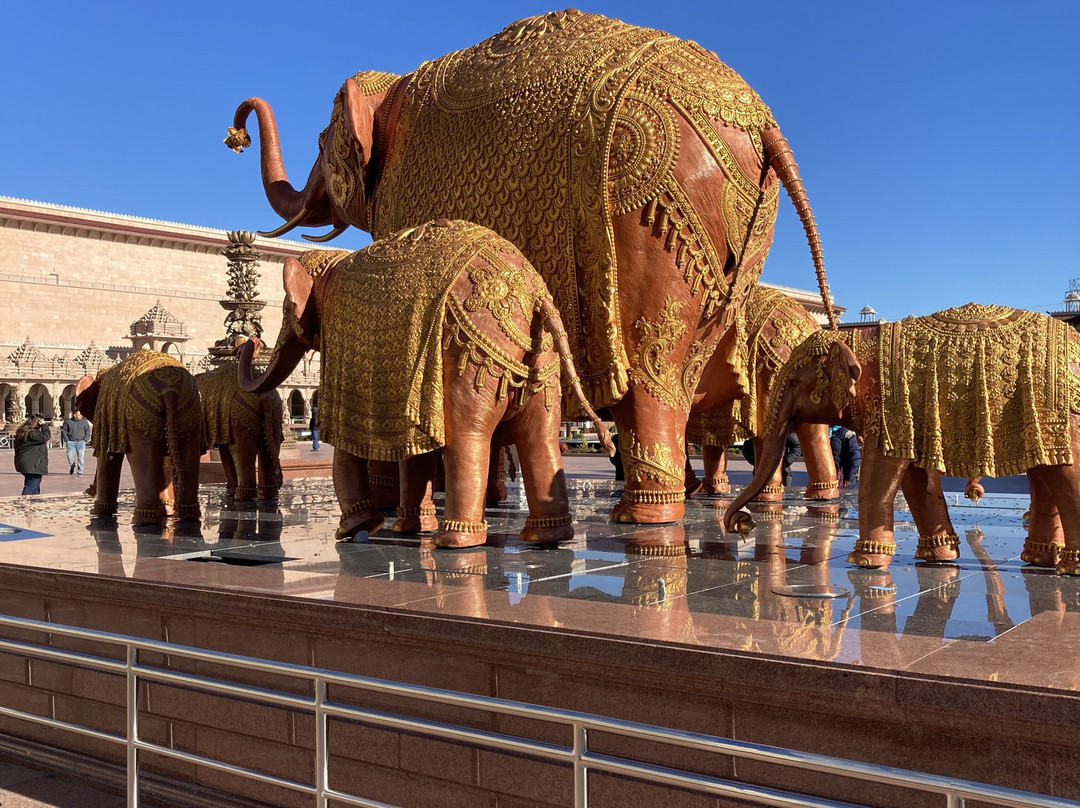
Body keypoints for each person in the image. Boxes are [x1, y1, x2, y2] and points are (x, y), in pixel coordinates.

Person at [14, 414, 51, 495]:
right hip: (33, 464)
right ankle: (24, 502)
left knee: (35, 483)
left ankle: (34, 501)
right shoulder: (32, 433)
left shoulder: (23, 432)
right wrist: (44, 426)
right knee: (31, 484)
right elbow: (45, 437)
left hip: (26, 462)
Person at [61, 409, 91, 476]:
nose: (81, 416)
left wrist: (85, 439)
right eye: (79, 414)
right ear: (74, 415)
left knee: (81, 457)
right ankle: (72, 465)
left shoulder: (84, 422)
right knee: (69, 456)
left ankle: (80, 471)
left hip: (81, 442)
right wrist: (67, 440)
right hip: (71, 442)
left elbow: (87, 431)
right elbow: (64, 431)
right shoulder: (68, 422)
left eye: (81, 414)